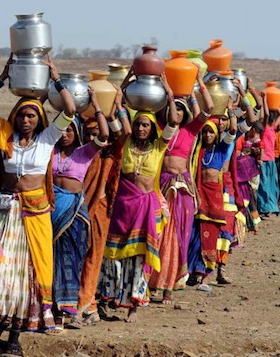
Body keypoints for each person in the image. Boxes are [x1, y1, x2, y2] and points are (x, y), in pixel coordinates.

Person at [0, 54, 76, 355]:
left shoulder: (48, 138)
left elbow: (71, 109)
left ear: (39, 120)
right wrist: (3, 77)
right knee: (2, 273)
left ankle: (13, 338)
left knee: (30, 277)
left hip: (35, 215)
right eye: (22, 115)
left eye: (31, 116)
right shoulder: (5, 133)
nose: (25, 120)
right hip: (8, 213)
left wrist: (56, 77)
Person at [100, 73, 178, 321]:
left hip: (145, 208)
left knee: (138, 257)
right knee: (114, 255)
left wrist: (170, 93)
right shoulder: (125, 144)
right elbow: (116, 113)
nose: (141, 128)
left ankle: (134, 304)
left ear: (152, 128)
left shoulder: (159, 147)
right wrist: (122, 89)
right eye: (138, 124)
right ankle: (109, 298)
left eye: (145, 125)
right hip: (123, 206)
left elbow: (174, 122)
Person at [148, 64, 213, 304]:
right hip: (163, 185)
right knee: (160, 233)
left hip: (183, 188)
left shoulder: (191, 130)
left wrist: (198, 83)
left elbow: (208, 109)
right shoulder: (158, 129)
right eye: (172, 109)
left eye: (180, 110)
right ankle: (153, 282)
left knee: (180, 236)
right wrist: (167, 91)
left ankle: (169, 286)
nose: (176, 114)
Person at [50, 89, 109, 331]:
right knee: (50, 261)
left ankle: (69, 311)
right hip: (52, 212)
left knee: (72, 261)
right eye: (62, 129)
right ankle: (51, 311)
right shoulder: (48, 152)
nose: (65, 134)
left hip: (74, 213)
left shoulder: (84, 153)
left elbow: (104, 134)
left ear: (77, 132)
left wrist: (95, 103)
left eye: (70, 130)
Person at [75, 86, 129, 326]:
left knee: (93, 257)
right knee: (74, 256)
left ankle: (86, 304)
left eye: (97, 130)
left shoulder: (110, 152)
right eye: (89, 131)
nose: (93, 135)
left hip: (100, 209)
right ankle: (76, 303)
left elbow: (125, 134)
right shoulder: (77, 151)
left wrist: (115, 107)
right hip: (75, 210)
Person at [187, 108, 237, 291]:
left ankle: (205, 276)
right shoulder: (197, 152)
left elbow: (232, 130)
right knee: (195, 235)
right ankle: (193, 271)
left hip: (215, 198)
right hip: (200, 196)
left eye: (211, 132)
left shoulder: (221, 150)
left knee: (211, 236)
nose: (207, 135)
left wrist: (231, 111)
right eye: (205, 131)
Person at [257, 91, 280, 216]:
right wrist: (264, 100)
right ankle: (264, 208)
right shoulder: (263, 128)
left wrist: (278, 103)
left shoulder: (273, 128)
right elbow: (266, 114)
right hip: (263, 159)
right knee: (263, 184)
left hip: (271, 159)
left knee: (272, 184)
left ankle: (271, 206)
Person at [235, 121, 265, 233]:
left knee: (251, 199)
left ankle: (255, 224)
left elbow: (259, 153)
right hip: (241, 171)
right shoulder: (243, 139)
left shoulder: (253, 142)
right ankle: (249, 224)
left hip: (248, 172)